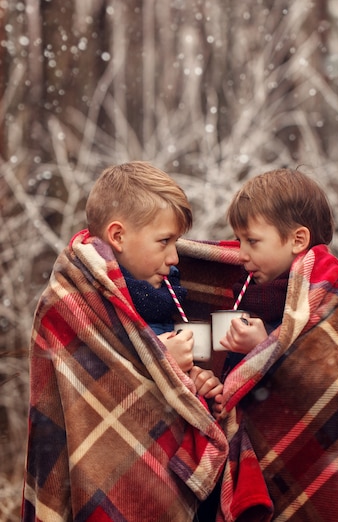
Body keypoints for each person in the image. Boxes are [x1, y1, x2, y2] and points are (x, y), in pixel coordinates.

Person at [22, 161, 228, 522]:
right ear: (118, 236)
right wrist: (163, 361)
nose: (174, 256)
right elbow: (91, 397)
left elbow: (175, 390)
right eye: (164, 241)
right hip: (107, 480)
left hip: (172, 476)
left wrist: (195, 383)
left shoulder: (164, 293)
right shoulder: (69, 302)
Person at [213, 168, 338, 522]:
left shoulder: (328, 294)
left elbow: (330, 383)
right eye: (238, 240)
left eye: (252, 241)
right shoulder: (247, 290)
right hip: (255, 462)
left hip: (315, 459)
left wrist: (265, 347)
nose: (241, 253)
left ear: (297, 239)